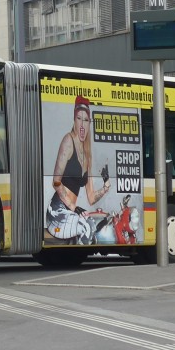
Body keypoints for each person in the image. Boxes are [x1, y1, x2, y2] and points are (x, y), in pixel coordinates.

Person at [45, 95, 112, 243]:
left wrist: (106, 186)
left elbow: (91, 197)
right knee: (86, 225)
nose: (82, 125)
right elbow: (56, 181)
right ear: (74, 121)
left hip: (71, 213)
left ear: (89, 123)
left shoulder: (88, 155)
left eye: (86, 120)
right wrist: (73, 206)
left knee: (93, 226)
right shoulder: (68, 141)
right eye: (79, 118)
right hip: (58, 210)